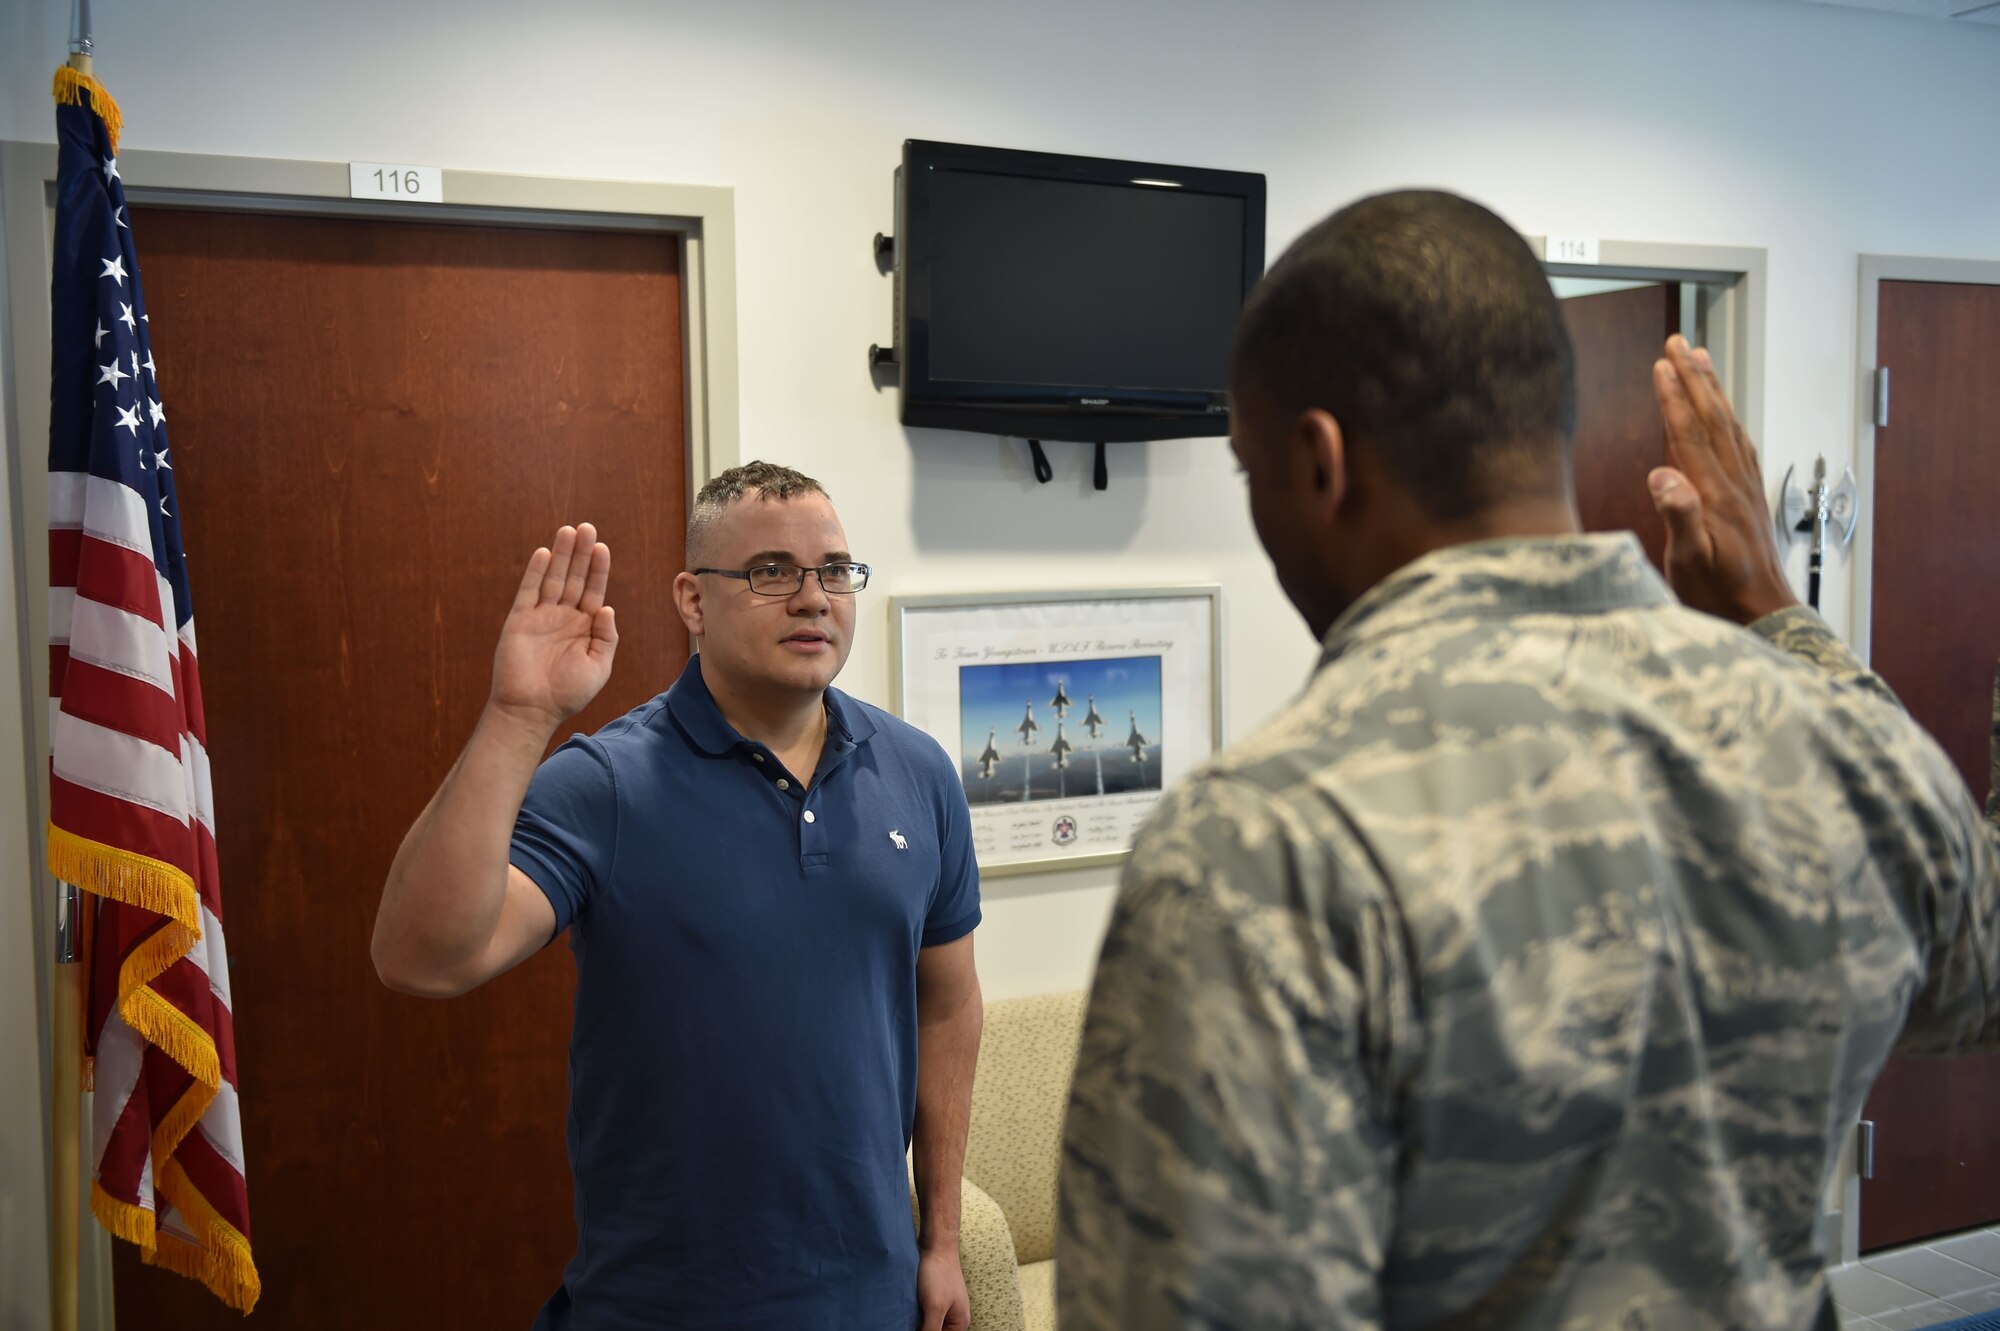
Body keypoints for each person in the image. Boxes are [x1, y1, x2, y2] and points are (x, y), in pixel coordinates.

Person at [1058, 190, 2000, 1331]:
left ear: (1319, 461)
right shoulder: (1829, 738)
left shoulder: (1261, 845)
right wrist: (1776, 620)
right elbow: (1977, 973)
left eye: (1253, 476)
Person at [371, 462, 984, 1331]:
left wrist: (943, 1239)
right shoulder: (607, 783)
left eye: (835, 570)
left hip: (873, 1302)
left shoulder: (918, 772)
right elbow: (421, 957)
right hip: (664, 1307)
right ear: (693, 600)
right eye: (772, 571)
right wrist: (518, 716)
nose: (814, 597)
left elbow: (948, 1007)